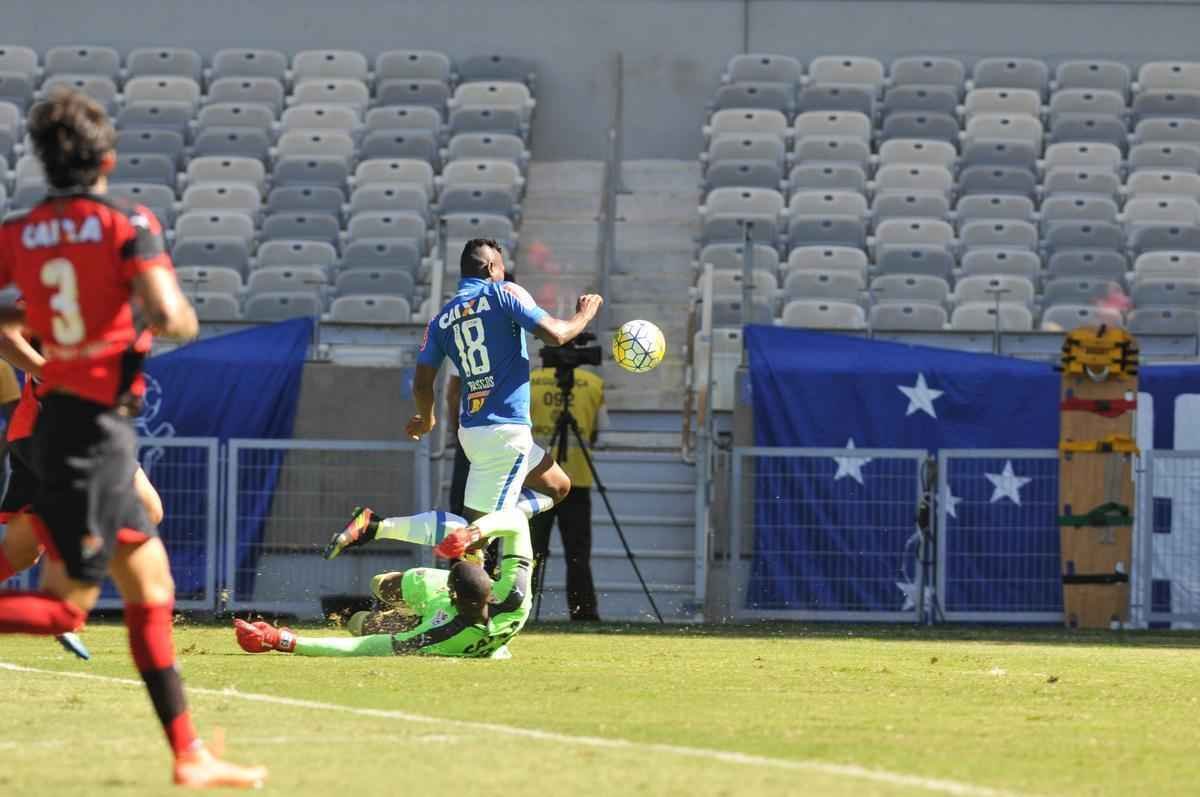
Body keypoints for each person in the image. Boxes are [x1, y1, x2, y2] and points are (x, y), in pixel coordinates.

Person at [0, 88, 266, 789]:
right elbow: (175, 318)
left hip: (66, 422)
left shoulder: (18, 232)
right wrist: (154, 313)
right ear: (107, 160)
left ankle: (189, 754)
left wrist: (48, 349)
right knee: (65, 605)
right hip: (92, 429)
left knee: (152, 584)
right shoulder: (130, 222)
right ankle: (188, 752)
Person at [324, 239, 603, 556]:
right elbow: (557, 335)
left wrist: (426, 418)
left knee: (558, 486)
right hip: (505, 433)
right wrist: (584, 314)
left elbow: (422, 384)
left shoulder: (442, 318)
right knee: (474, 540)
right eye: (501, 268)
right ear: (491, 267)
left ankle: (504, 519)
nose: (504, 274)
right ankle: (376, 526)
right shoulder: (502, 295)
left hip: (476, 431)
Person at [0, 328, 166, 660]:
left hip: (49, 431)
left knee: (20, 553)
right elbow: (6, 332)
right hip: (62, 430)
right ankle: (65, 603)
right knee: (146, 508)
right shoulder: (60, 287)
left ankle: (64, 602)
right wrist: (47, 371)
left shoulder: (126, 302)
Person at [237, 508, 533, 659]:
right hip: (456, 607)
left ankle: (401, 615)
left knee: (359, 625)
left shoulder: (438, 636)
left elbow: (359, 648)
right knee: (383, 584)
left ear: (452, 595)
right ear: (490, 589)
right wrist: (472, 533)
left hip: (435, 617)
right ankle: (378, 528)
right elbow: (518, 519)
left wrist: (283, 640)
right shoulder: (514, 599)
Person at [528, 365, 606, 621]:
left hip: (536, 480)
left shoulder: (529, 381)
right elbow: (597, 433)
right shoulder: (594, 383)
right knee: (578, 553)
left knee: (530, 551)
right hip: (577, 480)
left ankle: (519, 608)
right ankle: (583, 611)